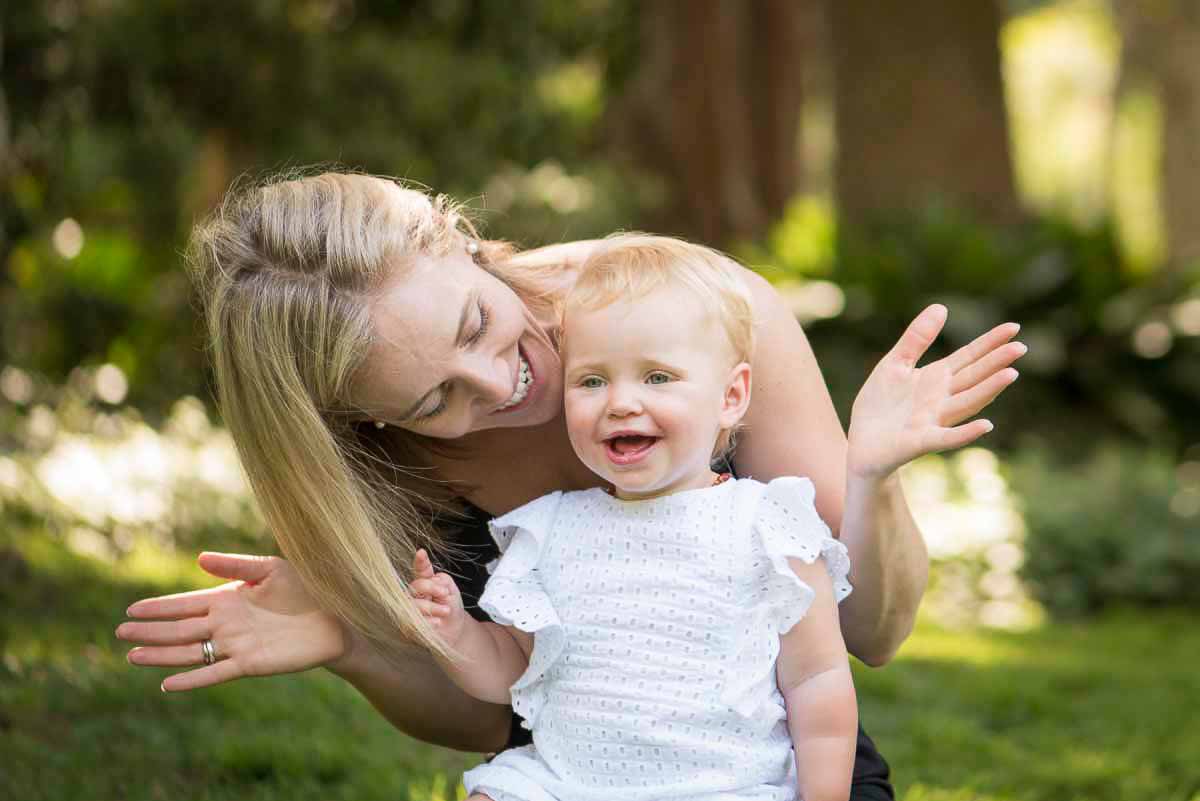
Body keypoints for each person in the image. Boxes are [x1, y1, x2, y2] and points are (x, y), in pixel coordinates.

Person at [115, 172, 1025, 799]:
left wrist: (872, 475)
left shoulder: (685, 308)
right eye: (437, 398)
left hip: (760, 766)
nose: (498, 384)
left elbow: (874, 632)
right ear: (370, 420)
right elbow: (494, 715)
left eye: (478, 322)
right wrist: (353, 640)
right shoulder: (381, 458)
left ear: (462, 242)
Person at [410, 235, 858, 801]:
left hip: (722, 784)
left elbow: (817, 679)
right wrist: (457, 633)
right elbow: (512, 671)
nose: (620, 401)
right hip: (565, 781)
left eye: (657, 377)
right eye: (592, 381)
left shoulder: (766, 524)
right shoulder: (548, 531)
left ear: (731, 395)